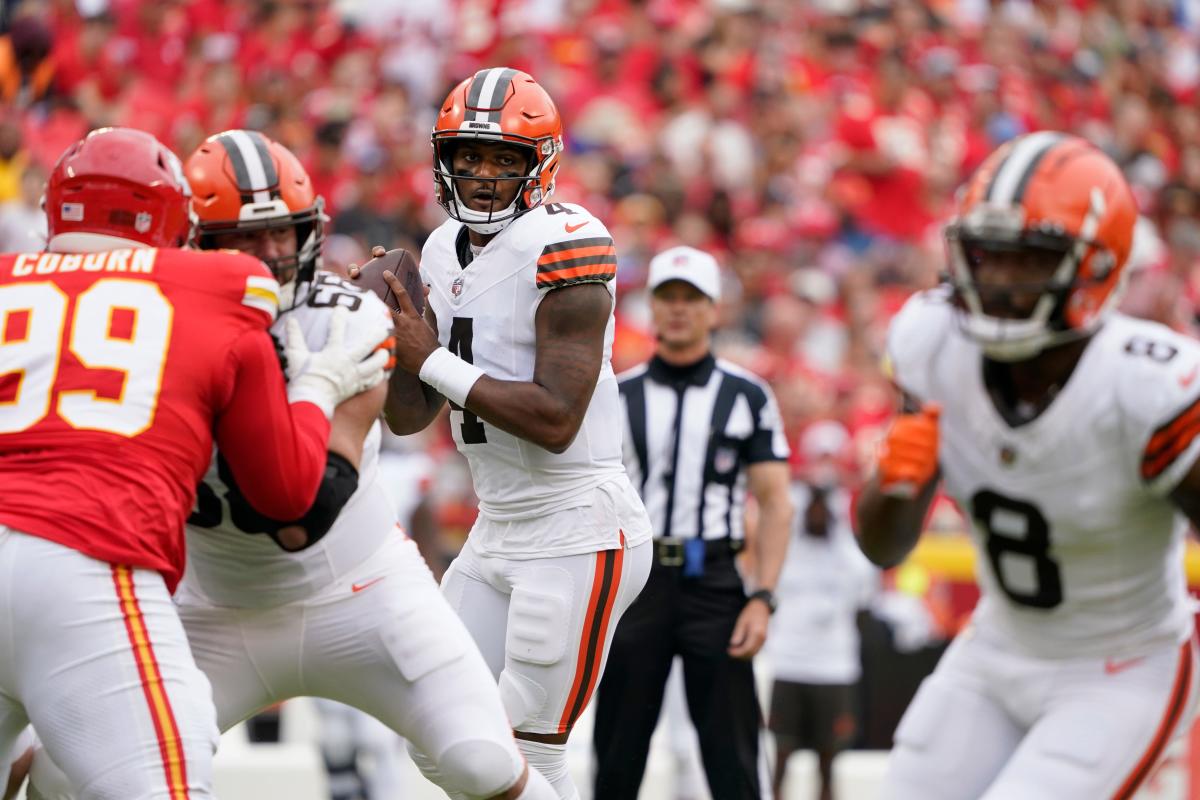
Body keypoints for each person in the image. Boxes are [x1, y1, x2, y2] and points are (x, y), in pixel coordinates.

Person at [28, 128, 558, 800]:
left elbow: (300, 510)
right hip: (209, 608)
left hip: (362, 590)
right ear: (194, 239)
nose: (273, 254)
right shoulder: (149, 327)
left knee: (480, 761)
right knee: (62, 775)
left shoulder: (345, 317)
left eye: (285, 232)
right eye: (246, 238)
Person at [0, 126, 385, 799]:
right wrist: (320, 390)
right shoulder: (220, 283)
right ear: (178, 218)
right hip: (85, 561)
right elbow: (288, 492)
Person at [856, 131, 1200, 799]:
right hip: (995, 649)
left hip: (1122, 666)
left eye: (1030, 260)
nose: (1000, 280)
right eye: (990, 256)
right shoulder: (932, 345)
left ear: (1098, 268)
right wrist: (894, 485)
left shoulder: (1143, 386)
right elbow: (882, 545)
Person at [377, 67, 654, 800]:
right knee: (442, 739)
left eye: (506, 159)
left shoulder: (570, 241)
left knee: (529, 748)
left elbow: (557, 419)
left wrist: (426, 355)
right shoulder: (438, 250)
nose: (484, 174)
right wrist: (380, 346)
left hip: (576, 523)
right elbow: (411, 413)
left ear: (542, 165)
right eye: (469, 155)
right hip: (497, 525)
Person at [591, 245, 794, 800]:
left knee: (733, 759)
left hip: (717, 581)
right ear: (651, 308)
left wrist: (763, 596)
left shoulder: (746, 395)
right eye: (668, 298)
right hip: (638, 583)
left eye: (691, 299)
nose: (678, 310)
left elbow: (776, 501)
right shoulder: (617, 394)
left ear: (714, 309)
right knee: (617, 754)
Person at [767, 421, 877, 800]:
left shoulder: (847, 518)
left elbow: (865, 585)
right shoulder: (790, 515)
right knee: (780, 756)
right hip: (790, 660)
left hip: (834, 663)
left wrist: (836, 513)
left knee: (829, 763)